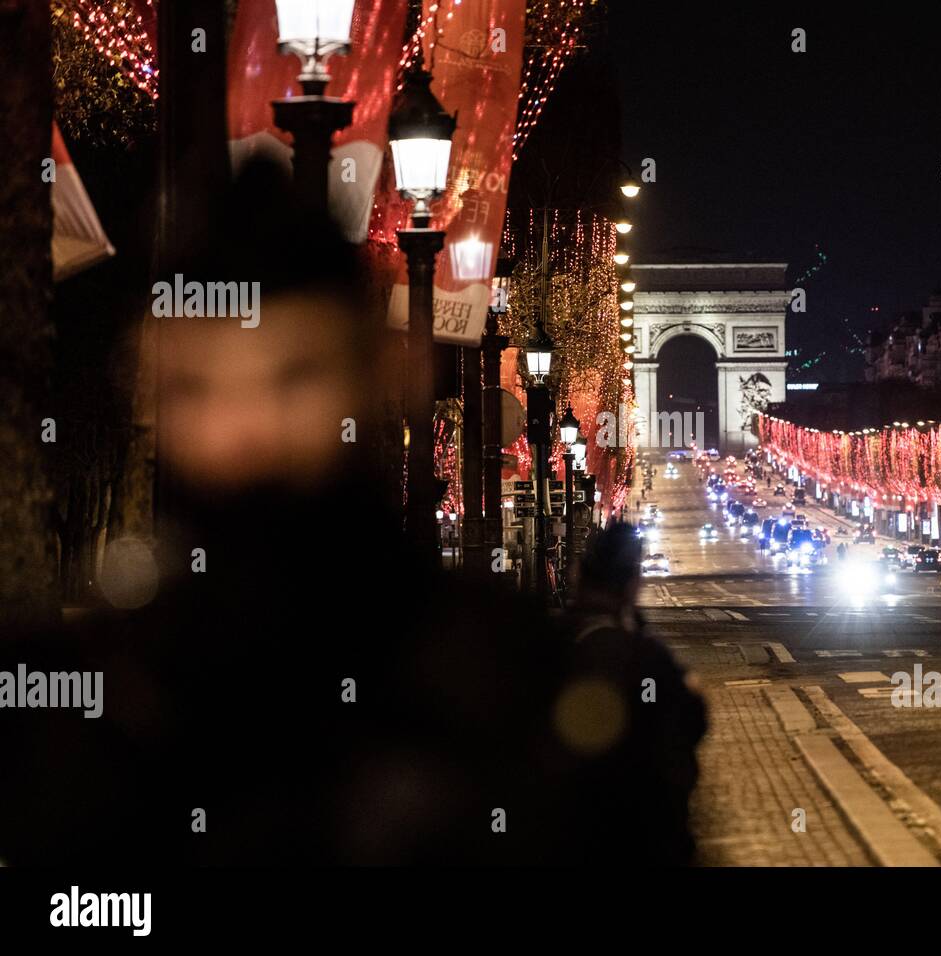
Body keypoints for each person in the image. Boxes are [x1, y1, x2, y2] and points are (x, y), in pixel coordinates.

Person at [0, 160, 602, 866]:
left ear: (381, 372)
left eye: (295, 378)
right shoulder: (512, 687)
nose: (243, 429)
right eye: (196, 387)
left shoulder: (513, 698)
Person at [562, 523, 708, 865]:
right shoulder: (643, 657)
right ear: (631, 584)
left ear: (578, 577)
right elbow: (689, 725)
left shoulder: (543, 645)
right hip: (639, 831)